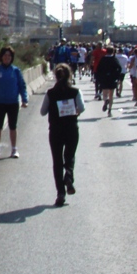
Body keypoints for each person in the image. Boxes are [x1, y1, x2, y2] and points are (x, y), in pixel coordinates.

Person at [40, 63, 85, 207]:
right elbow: (82, 108)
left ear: (55, 75)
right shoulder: (75, 92)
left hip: (55, 130)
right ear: (69, 75)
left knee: (57, 161)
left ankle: (60, 193)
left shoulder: (50, 93)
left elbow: (42, 111)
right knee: (70, 156)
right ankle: (69, 176)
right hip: (71, 128)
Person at [0, 46, 29, 158]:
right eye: (5, 55)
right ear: (1, 57)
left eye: (9, 55)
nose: (7, 57)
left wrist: (24, 99)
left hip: (13, 102)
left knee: (13, 126)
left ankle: (14, 149)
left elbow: (22, 86)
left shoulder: (16, 71)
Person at [94, 45, 122, 116]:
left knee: (105, 93)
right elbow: (119, 68)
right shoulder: (114, 59)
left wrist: (99, 77)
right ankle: (109, 110)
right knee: (111, 95)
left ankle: (105, 101)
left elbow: (98, 69)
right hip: (112, 78)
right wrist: (117, 77)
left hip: (104, 78)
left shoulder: (103, 59)